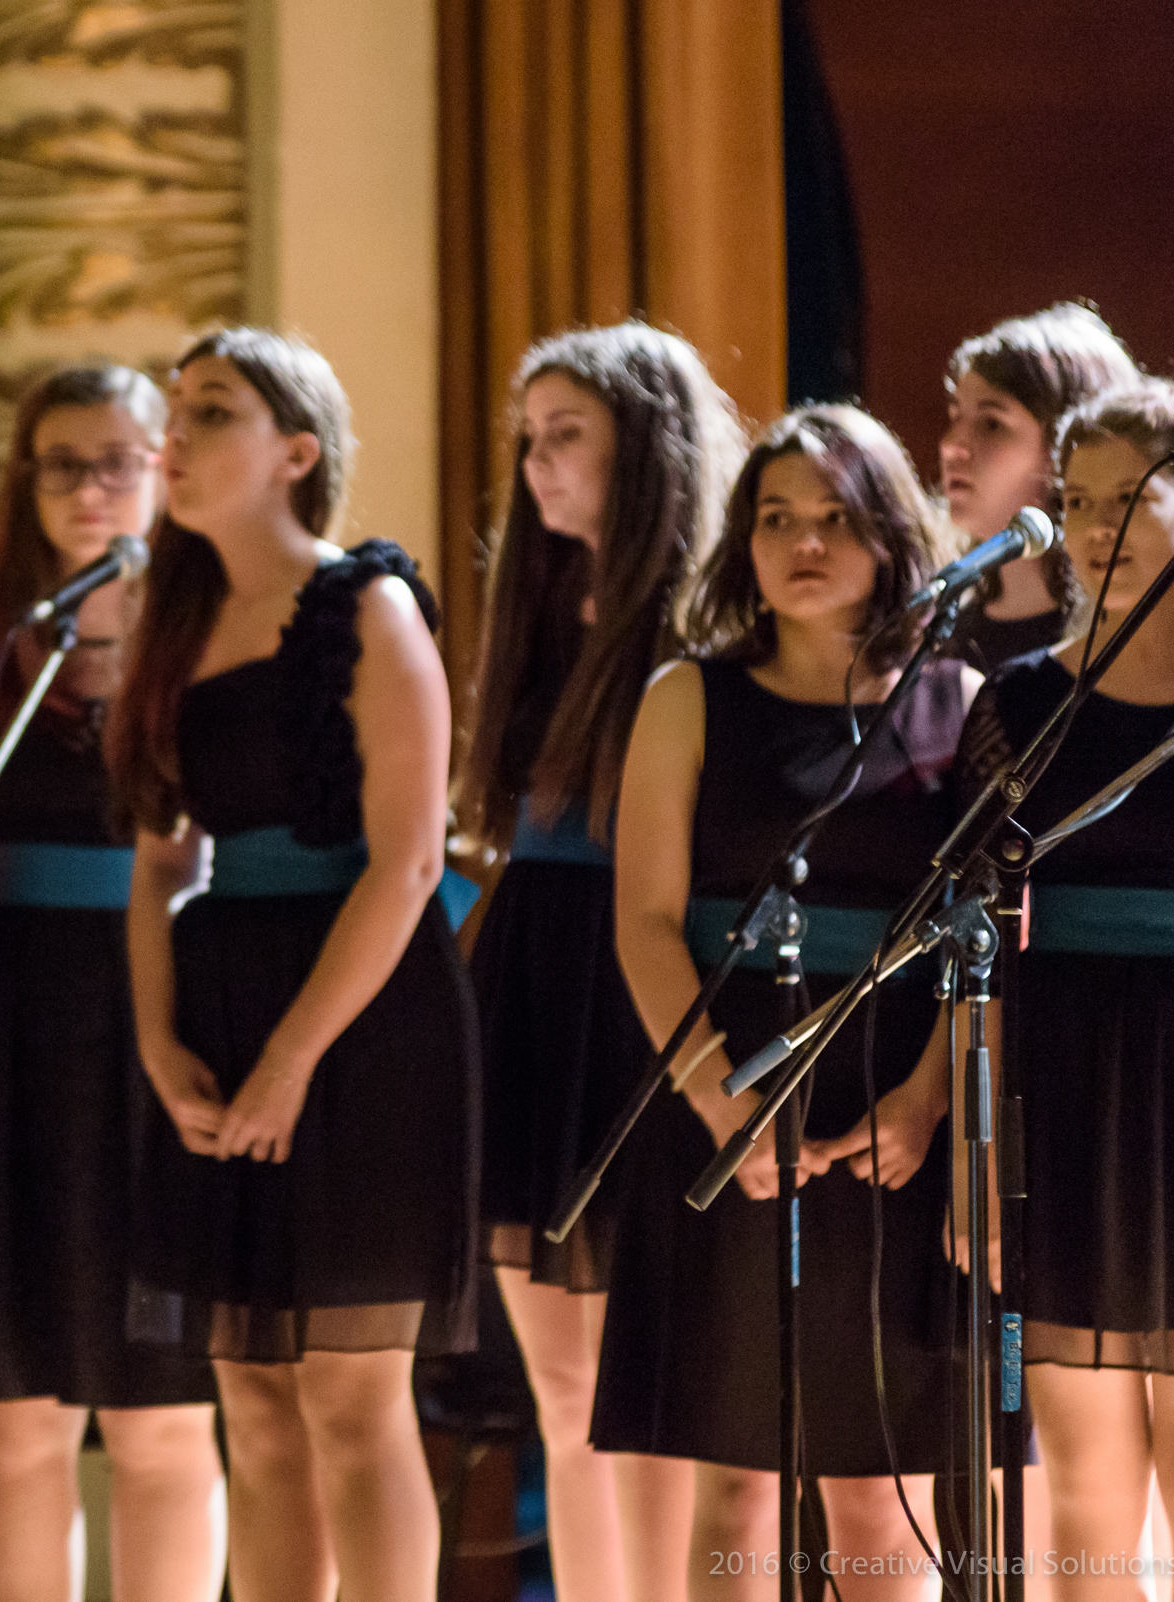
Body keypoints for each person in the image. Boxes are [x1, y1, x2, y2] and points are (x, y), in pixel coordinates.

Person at [107, 327, 478, 1602]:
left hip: (362, 1023)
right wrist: (161, 1045)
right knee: (257, 1409)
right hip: (221, 1005)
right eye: (174, 413)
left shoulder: (367, 605)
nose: (175, 438)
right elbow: (159, 864)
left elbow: (409, 863)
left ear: (296, 452)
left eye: (213, 411)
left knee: (349, 1404)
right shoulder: (175, 619)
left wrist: (290, 1062)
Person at [598, 404, 967, 1601]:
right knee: (738, 1482)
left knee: (879, 1484)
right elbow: (646, 921)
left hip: (894, 1097)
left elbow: (982, 937)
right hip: (728, 1077)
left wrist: (927, 1098)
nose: (805, 543)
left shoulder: (960, 701)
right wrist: (720, 1100)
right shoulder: (687, 696)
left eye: (836, 518)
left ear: (893, 535)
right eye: (775, 519)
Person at [0, 364, 224, 1602]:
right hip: (8, 1032)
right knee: (14, 1417)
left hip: (169, 1021)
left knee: (164, 1418)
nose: (91, 488)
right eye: (62, 464)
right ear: (24, 481)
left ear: (164, 469)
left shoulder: (212, 635)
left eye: (118, 461)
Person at [457, 323, 740, 1602]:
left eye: (566, 435)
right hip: (534, 982)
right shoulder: (534, 606)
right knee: (562, 1394)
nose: (537, 464)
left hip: (639, 988)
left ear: (647, 447)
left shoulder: (707, 621)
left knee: (645, 1390)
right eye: (529, 439)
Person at [963, 380, 1174, 1600]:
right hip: (1066, 1085)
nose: (1097, 528)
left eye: (1131, 499)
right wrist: (977, 1144)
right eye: (1077, 502)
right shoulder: (1019, 703)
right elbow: (975, 942)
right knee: (1084, 1476)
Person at [939, 304, 1137, 669]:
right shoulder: (940, 640)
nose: (951, 446)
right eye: (955, 417)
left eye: (991, 424)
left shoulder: (1122, 647)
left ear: (1070, 447)